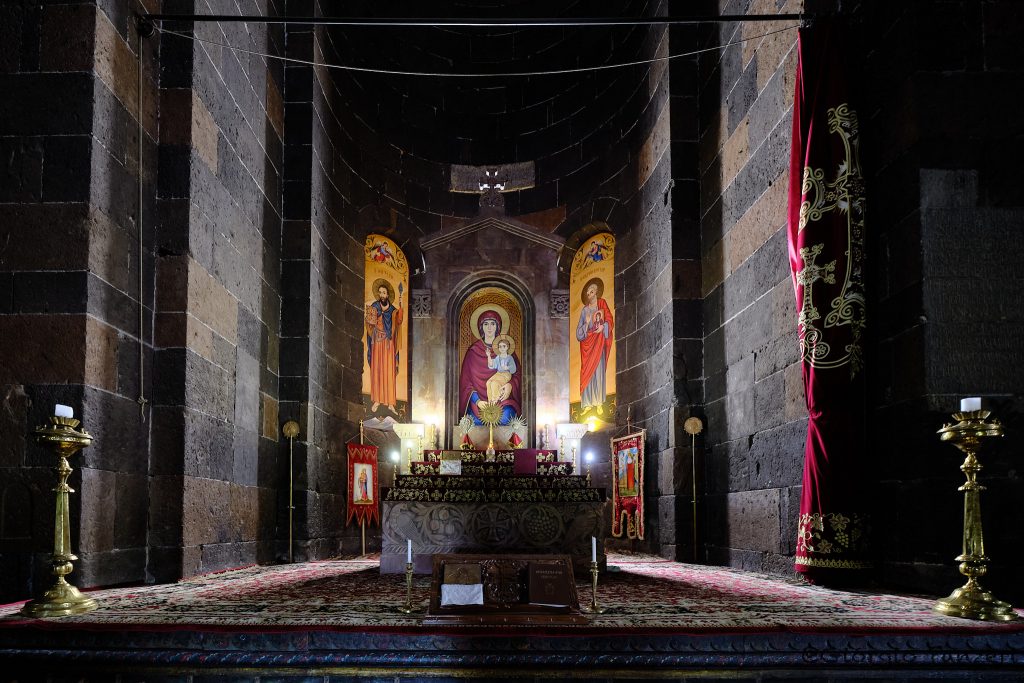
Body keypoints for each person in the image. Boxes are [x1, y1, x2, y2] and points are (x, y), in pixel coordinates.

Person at [459, 310, 521, 425]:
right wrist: (477, 402)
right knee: (474, 422)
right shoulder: (473, 351)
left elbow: (517, 374)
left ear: (498, 327)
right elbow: (466, 383)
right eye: (485, 324)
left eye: (493, 323)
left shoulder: (507, 351)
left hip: (502, 401)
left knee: (505, 418)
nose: (489, 327)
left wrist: (510, 386)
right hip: (479, 404)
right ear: (480, 327)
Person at [576, 278, 614, 413]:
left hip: (599, 343)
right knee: (587, 373)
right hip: (588, 344)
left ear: (596, 292)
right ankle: (586, 403)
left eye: (591, 292)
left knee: (598, 371)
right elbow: (578, 333)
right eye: (587, 292)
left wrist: (603, 326)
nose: (589, 294)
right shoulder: (584, 311)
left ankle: (598, 403)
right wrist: (586, 324)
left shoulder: (602, 303)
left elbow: (609, 319)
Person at [365, 280, 403, 414]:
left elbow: (399, 321)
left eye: (384, 293)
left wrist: (401, 304)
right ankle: (377, 400)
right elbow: (369, 324)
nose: (382, 295)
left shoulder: (393, 310)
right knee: (377, 371)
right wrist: (369, 316)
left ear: (388, 295)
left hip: (388, 343)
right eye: (380, 292)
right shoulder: (374, 306)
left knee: (388, 371)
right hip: (377, 343)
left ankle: (391, 403)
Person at [484, 335, 517, 406]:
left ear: (507, 347)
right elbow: (492, 365)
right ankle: (490, 402)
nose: (502, 348)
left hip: (506, 374)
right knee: (488, 382)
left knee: (494, 383)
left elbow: (513, 368)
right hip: (498, 373)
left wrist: (507, 367)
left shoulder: (509, 357)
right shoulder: (498, 357)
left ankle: (495, 401)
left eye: (504, 346)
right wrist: (489, 356)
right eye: (500, 346)